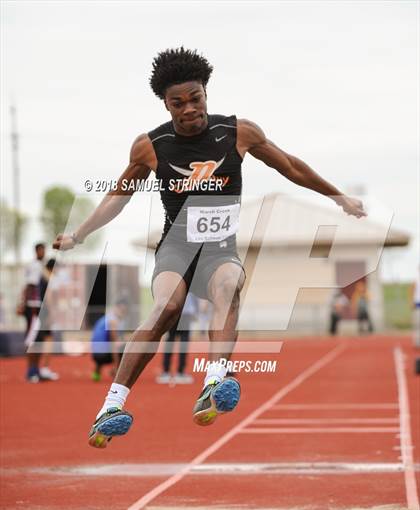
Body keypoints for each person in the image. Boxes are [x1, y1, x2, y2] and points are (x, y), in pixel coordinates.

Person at [53, 47, 366, 448]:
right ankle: (110, 406)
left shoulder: (238, 134)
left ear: (205, 93)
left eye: (195, 98)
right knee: (167, 308)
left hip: (219, 250)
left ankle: (214, 382)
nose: (188, 109)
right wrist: (78, 234)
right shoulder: (150, 146)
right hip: (176, 250)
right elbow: (118, 195)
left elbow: (290, 166)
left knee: (229, 285)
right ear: (165, 105)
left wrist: (338, 197)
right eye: (177, 103)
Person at [17, 243, 58, 382]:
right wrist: (23, 303)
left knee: (38, 338)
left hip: (38, 306)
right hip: (33, 306)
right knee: (32, 338)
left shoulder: (41, 267)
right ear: (36, 251)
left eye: (44, 250)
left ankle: (36, 369)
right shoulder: (35, 266)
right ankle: (31, 371)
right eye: (41, 250)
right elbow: (29, 285)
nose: (43, 252)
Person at [157, 292, 199, 384]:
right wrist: (196, 311)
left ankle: (167, 372)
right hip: (183, 314)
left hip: (175, 312)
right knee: (180, 342)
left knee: (171, 341)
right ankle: (179, 372)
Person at [91, 298, 129, 382]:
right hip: (102, 355)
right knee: (127, 346)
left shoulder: (107, 317)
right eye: (122, 310)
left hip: (95, 355)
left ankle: (97, 372)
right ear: (117, 308)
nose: (123, 313)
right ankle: (118, 372)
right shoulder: (113, 321)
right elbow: (114, 343)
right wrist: (115, 366)